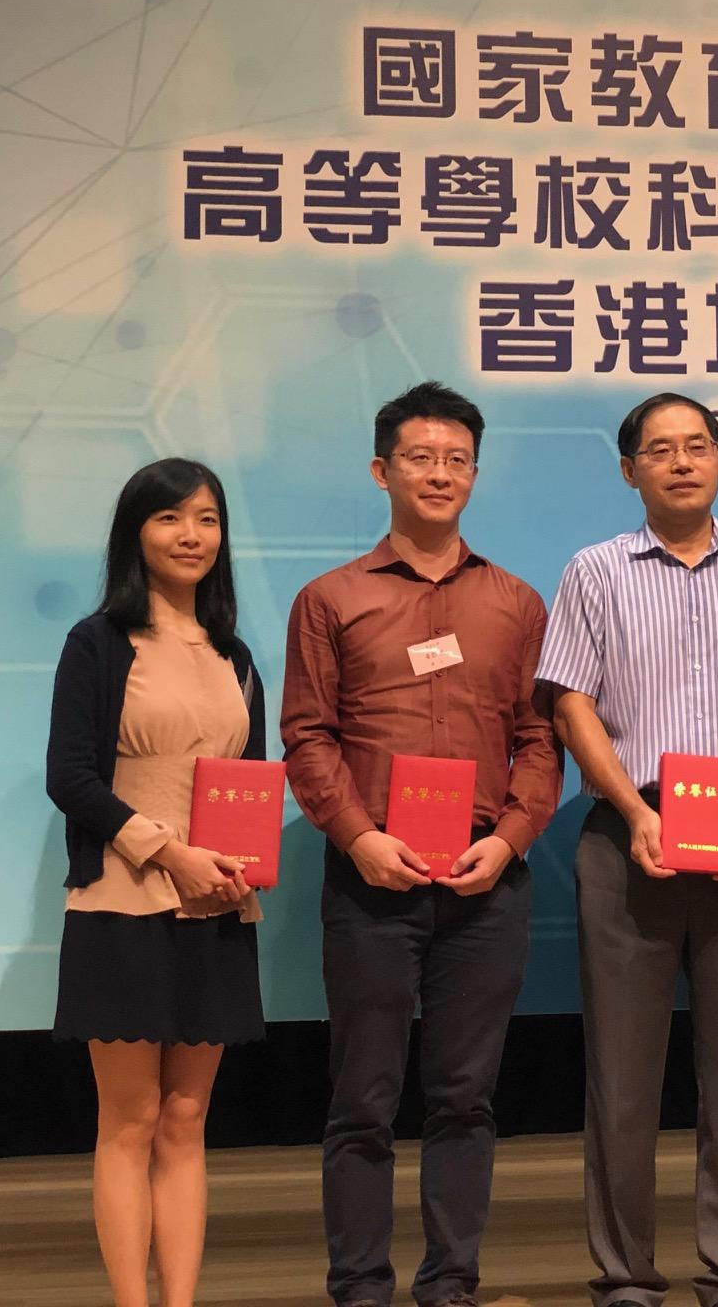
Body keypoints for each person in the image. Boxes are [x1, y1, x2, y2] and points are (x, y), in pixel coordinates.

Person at [282, 381, 560, 1307]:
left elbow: (537, 739)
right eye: (419, 458)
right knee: (362, 1101)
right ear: (381, 471)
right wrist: (358, 838)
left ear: (475, 475)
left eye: (456, 461)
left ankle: (451, 1283)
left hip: (485, 883)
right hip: (372, 879)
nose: (439, 474)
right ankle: (360, 1285)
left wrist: (514, 838)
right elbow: (307, 735)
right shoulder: (330, 599)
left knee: (465, 1098)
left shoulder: (516, 602)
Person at [537, 392, 718, 1307]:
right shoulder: (594, 571)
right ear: (628, 470)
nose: (682, 463)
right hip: (626, 836)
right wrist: (631, 809)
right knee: (623, 1071)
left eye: (698, 447)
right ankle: (626, 1272)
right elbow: (571, 702)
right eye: (660, 450)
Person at [46, 457, 268, 1307]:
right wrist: (168, 852)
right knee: (130, 1122)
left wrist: (243, 862)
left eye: (207, 519)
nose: (191, 535)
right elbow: (71, 777)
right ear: (136, 532)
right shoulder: (97, 642)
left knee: (186, 1124)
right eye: (171, 518)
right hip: (122, 902)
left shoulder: (235, 654)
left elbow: (244, 780)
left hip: (216, 908)